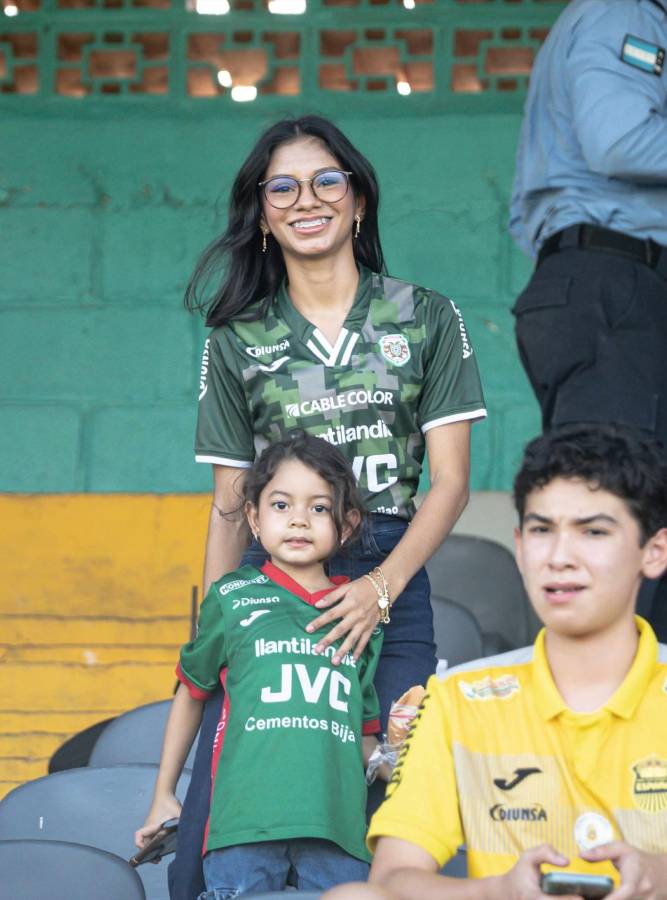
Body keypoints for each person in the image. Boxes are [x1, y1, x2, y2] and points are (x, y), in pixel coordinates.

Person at [173, 115, 487, 899]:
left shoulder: (425, 317)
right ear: (262, 211)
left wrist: (380, 588)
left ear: (357, 201)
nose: (304, 199)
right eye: (282, 186)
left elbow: (448, 482)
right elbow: (227, 504)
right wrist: (214, 629)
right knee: (213, 836)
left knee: (392, 808)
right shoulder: (236, 337)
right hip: (270, 591)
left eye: (326, 181)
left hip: (391, 573)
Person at [364, 424, 667, 899]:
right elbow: (391, 882)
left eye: (593, 531)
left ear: (654, 552)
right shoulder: (459, 699)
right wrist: (501, 891)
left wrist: (659, 877)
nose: (560, 557)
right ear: (520, 547)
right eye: (542, 530)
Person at [136, 432, 385, 896]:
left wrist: (405, 762)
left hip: (337, 832)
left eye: (318, 508)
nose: (298, 521)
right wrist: (162, 794)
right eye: (281, 505)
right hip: (242, 829)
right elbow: (192, 695)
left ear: (346, 524)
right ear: (253, 516)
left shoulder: (359, 615)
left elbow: (364, 742)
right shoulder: (231, 598)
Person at [509, 0, 667, 641]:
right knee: (611, 510)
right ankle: (602, 730)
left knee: (640, 513)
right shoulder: (621, 12)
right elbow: (620, 138)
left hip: (612, 287)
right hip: (610, 283)